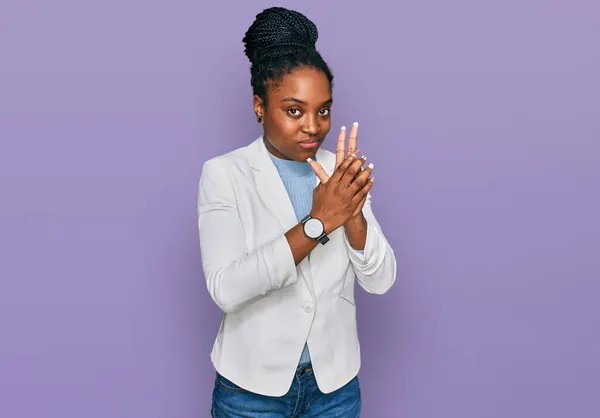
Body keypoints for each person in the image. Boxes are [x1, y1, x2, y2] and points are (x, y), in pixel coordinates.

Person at [197, 7, 397, 417]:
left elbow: (380, 282)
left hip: (334, 391)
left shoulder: (339, 171)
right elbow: (226, 289)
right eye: (294, 110)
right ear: (259, 106)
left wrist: (353, 215)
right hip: (250, 392)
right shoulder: (224, 174)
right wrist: (319, 221)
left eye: (322, 110)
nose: (312, 126)